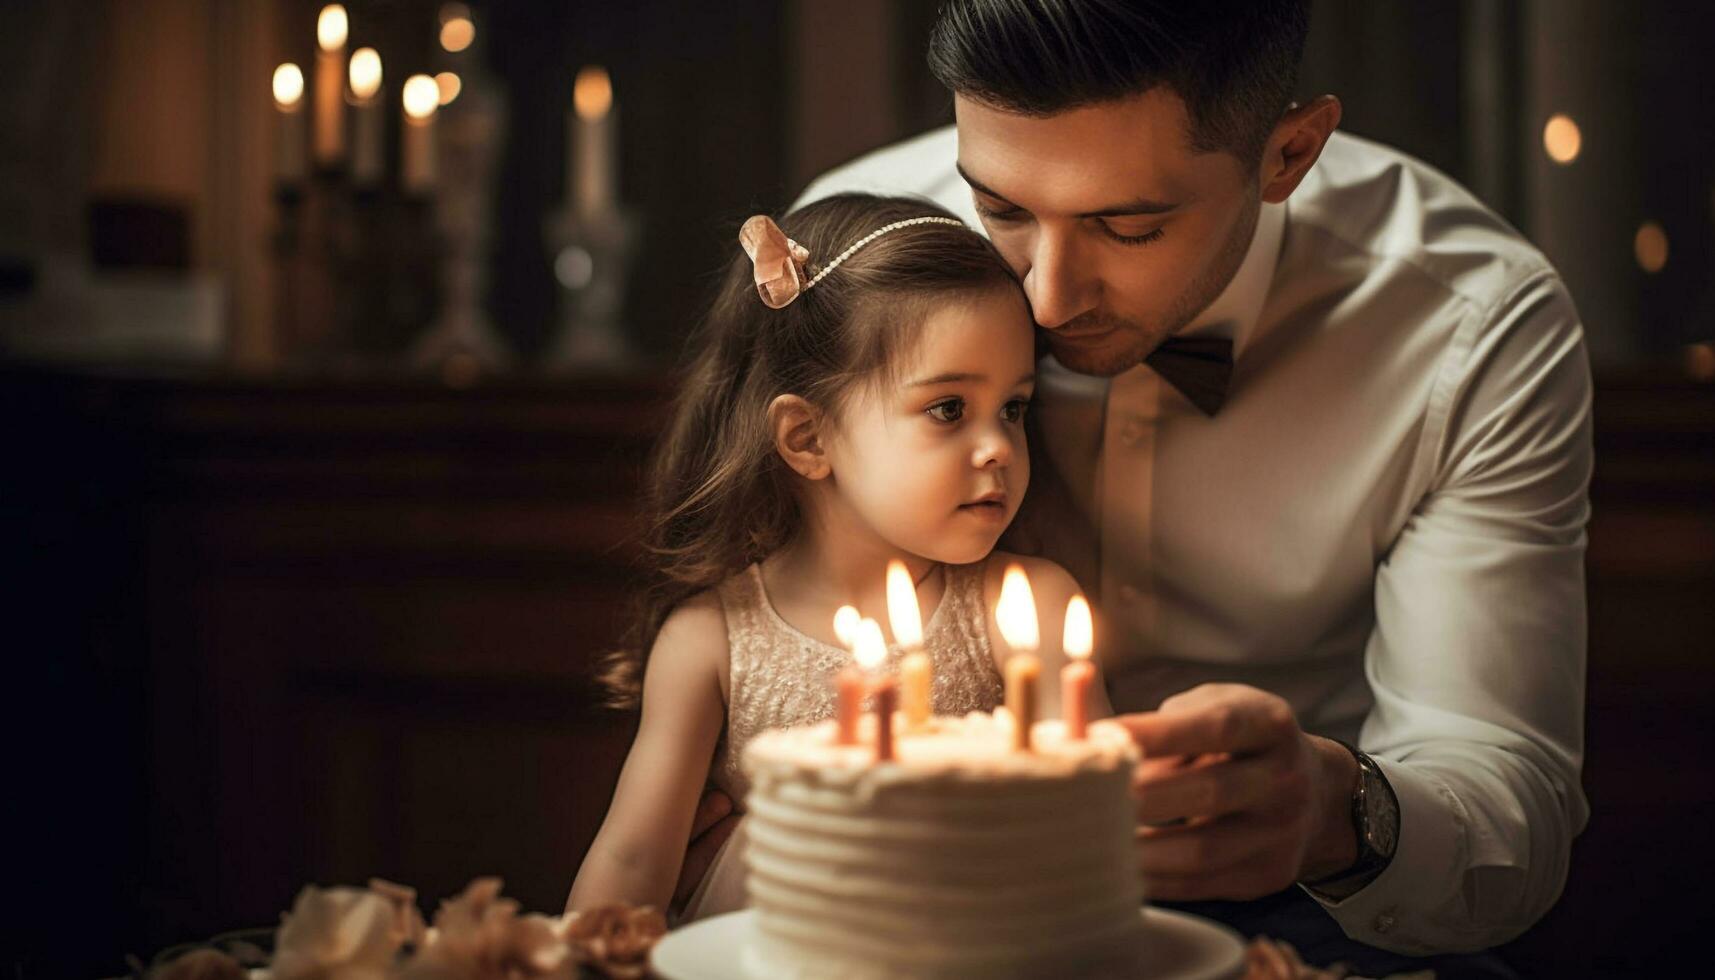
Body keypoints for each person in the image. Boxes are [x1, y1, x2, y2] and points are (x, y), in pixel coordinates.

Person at [684, 2, 1590, 975]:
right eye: (999, 210)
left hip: (1307, 908)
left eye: (1126, 226)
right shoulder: (857, 249)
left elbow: (1504, 802)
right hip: (935, 904)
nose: (1044, 298)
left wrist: (1335, 813)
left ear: (1288, 153)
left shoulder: (1473, 324)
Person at [566, 193, 1112, 922]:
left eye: (1012, 408)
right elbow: (633, 861)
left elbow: (1106, 824)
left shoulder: (1028, 608)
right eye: (948, 409)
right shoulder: (710, 640)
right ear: (807, 439)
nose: (998, 448)